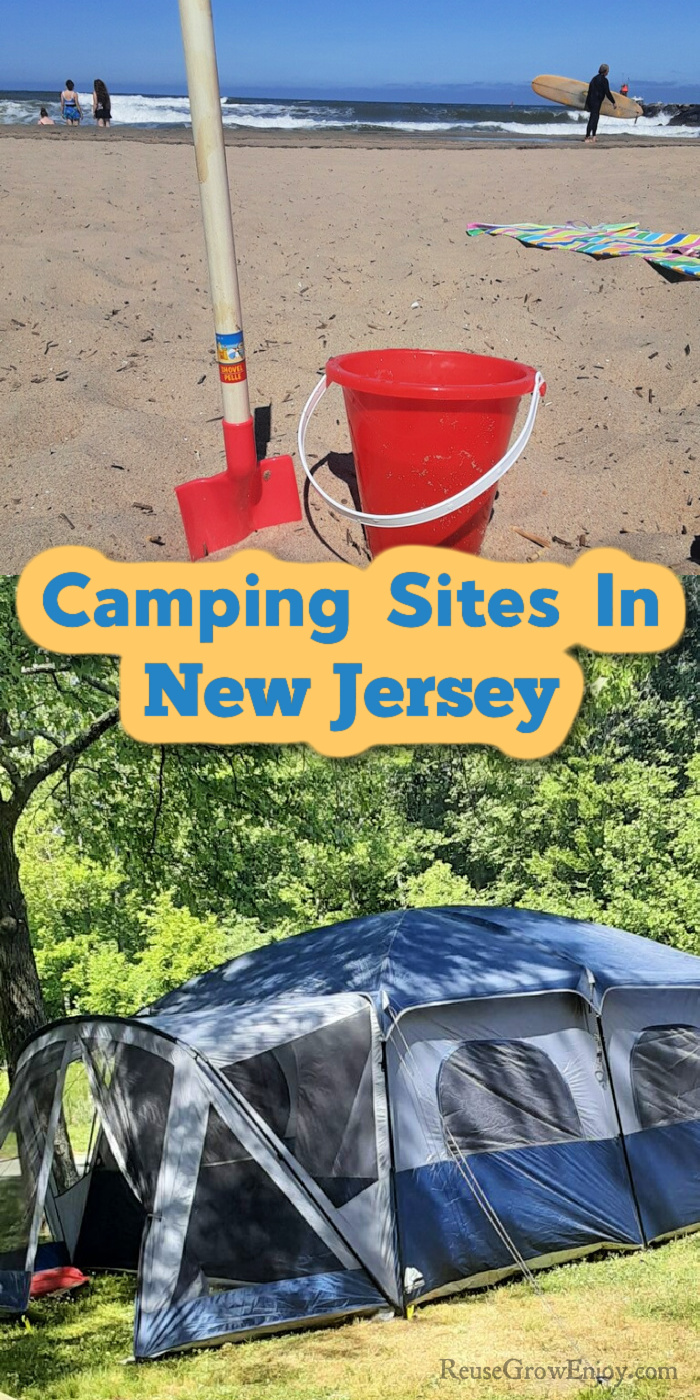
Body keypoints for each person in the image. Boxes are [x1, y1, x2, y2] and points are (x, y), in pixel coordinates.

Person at [584, 64, 616, 142]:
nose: (608, 72)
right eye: (608, 71)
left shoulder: (594, 79)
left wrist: (587, 103)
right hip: (597, 101)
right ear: (605, 71)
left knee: (592, 118)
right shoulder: (604, 80)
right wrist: (613, 102)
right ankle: (589, 136)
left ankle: (590, 136)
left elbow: (589, 91)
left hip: (591, 101)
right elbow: (607, 92)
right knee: (595, 118)